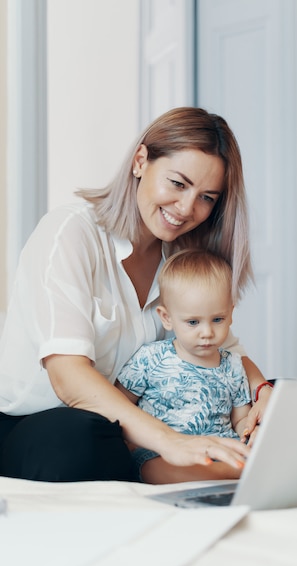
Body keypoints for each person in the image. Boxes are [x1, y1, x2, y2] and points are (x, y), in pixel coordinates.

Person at [0, 106, 273, 483]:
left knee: (280, 412)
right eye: (178, 184)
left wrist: (263, 394)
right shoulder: (70, 233)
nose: (187, 208)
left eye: (207, 197)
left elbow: (227, 355)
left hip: (133, 431)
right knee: (82, 436)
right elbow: (68, 378)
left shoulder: (183, 259)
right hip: (37, 423)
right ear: (141, 161)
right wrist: (170, 441)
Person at [116, 248, 257, 483]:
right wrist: (130, 443)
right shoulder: (150, 358)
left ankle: (230, 472)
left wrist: (249, 436)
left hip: (221, 447)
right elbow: (121, 404)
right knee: (153, 467)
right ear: (167, 318)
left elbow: (241, 419)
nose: (207, 332)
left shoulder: (233, 365)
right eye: (193, 322)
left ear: (231, 314)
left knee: (250, 456)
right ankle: (223, 476)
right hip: (163, 452)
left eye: (218, 319)